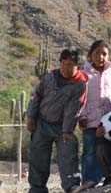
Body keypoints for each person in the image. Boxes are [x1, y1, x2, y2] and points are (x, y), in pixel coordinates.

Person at [27, 47, 88, 193]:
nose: (66, 68)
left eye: (71, 65)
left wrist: (67, 130)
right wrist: (31, 116)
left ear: (78, 66)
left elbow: (74, 109)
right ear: (60, 62)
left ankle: (72, 186)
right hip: (42, 123)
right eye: (64, 63)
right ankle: (37, 189)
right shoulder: (50, 76)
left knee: (68, 157)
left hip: (63, 127)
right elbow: (37, 96)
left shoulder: (80, 84)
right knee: (38, 158)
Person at [78, 40, 111, 190]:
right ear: (90, 54)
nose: (101, 57)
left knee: (104, 150)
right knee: (89, 151)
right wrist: (82, 116)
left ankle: (107, 177)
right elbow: (80, 98)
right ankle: (89, 180)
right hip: (90, 121)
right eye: (97, 53)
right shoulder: (84, 74)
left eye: (104, 54)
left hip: (109, 124)